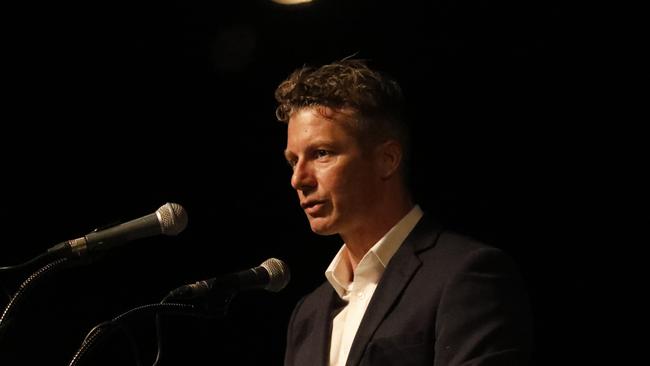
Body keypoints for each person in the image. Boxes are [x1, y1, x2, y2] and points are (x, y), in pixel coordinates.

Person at [276, 58, 533, 366]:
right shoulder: (308, 314)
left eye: (321, 154)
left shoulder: (465, 276)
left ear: (387, 159)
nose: (298, 179)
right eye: (293, 160)